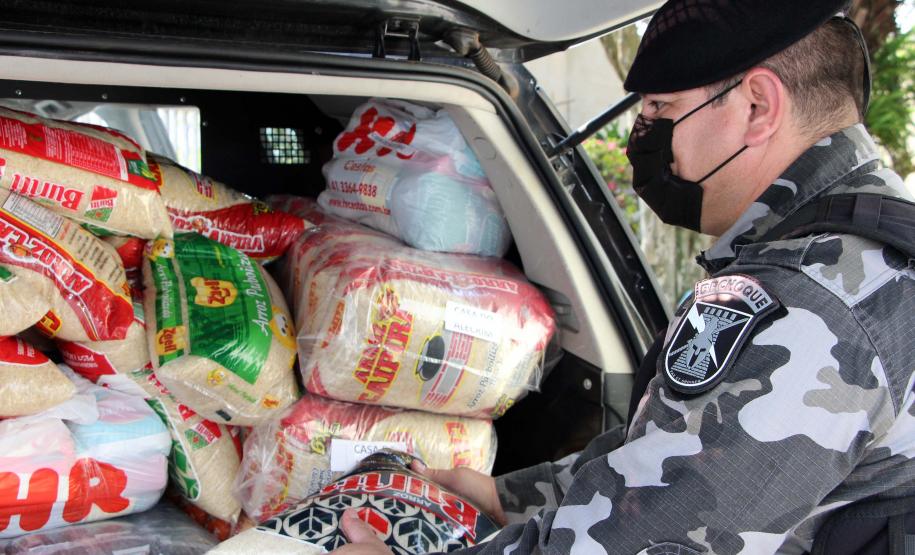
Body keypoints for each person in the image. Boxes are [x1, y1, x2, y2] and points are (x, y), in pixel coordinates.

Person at [333, 0, 915, 553]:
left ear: (758, 107)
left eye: (660, 107)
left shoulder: (815, 304)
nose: (644, 131)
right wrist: (504, 498)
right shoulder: (854, 254)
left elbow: (659, 535)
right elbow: (671, 459)